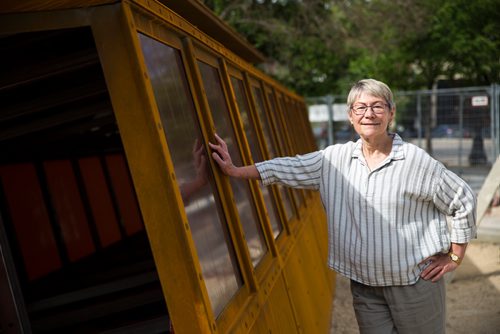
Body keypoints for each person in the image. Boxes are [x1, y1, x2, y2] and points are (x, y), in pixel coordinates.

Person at [209, 79, 476, 334]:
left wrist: (454, 256)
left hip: (414, 284)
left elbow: (462, 198)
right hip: (365, 287)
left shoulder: (415, 161)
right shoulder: (334, 159)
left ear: (390, 113)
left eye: (377, 106)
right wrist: (235, 171)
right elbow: (288, 167)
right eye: (360, 107)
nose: (368, 113)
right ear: (351, 115)